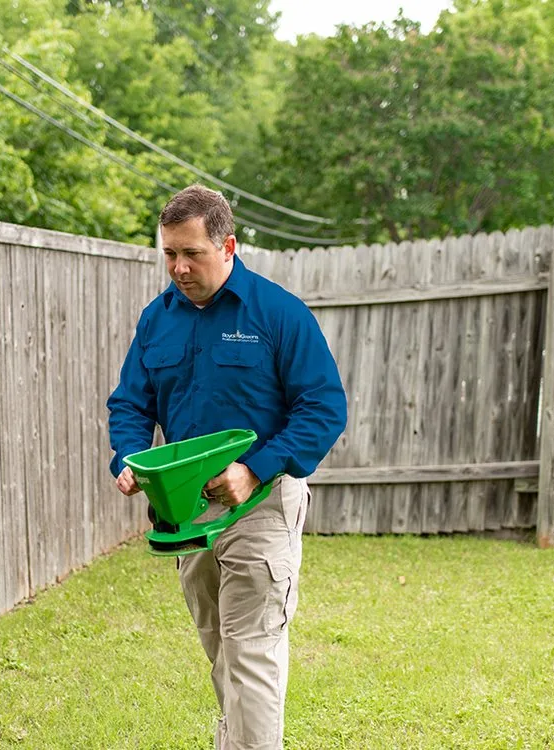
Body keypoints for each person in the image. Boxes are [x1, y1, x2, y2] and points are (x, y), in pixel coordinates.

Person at [107, 185, 347, 750]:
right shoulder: (157, 320)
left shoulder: (277, 313)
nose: (179, 267)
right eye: (169, 254)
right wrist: (130, 458)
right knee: (221, 649)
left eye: (192, 253)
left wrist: (255, 469)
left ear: (229, 246)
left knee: (252, 653)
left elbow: (323, 406)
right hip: (187, 511)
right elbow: (131, 404)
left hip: (260, 503)